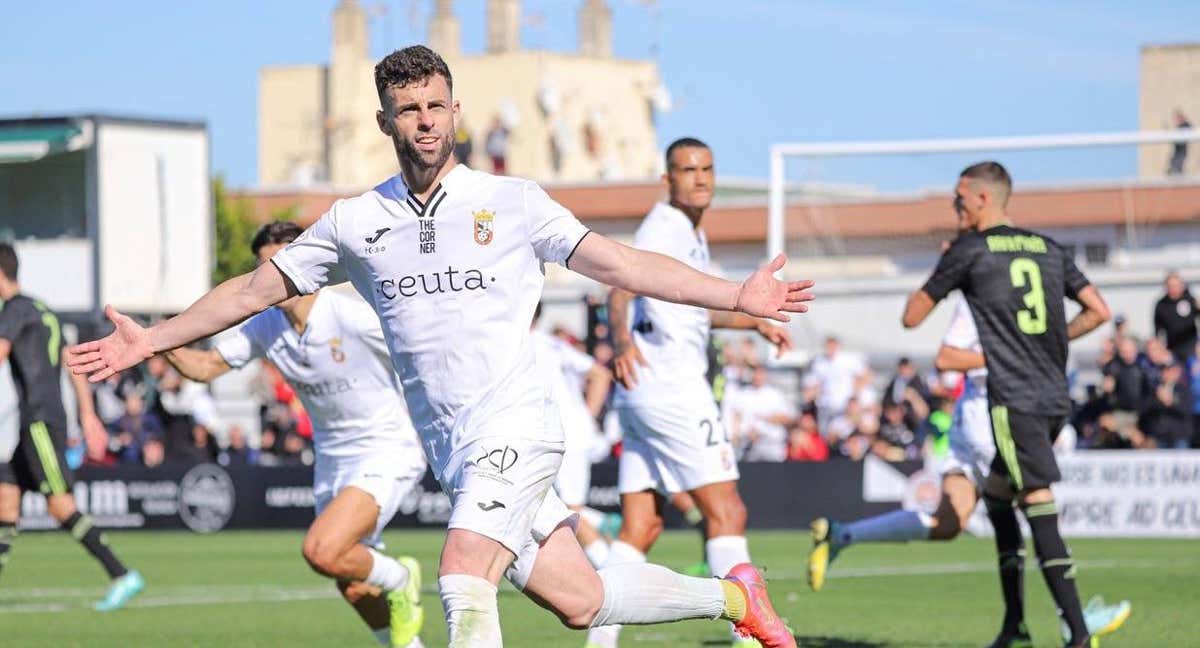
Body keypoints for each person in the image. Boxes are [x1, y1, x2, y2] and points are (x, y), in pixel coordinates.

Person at [67, 46, 814, 648]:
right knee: (582, 600)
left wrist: (736, 296)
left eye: (435, 106)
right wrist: (153, 338)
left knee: (461, 576)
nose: (424, 122)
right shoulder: (355, 221)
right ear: (387, 122)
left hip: (517, 426)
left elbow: (624, 265)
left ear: (456, 111)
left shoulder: (511, 202)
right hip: (452, 448)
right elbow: (251, 292)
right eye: (408, 111)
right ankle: (732, 597)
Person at [870, 161, 1117, 648]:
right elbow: (1099, 311)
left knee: (1036, 502)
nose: (954, 206)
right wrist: (1050, 341)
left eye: (959, 198)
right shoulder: (1048, 247)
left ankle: (1080, 636)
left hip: (1014, 400)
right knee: (1001, 501)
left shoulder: (971, 250)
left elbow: (911, 317)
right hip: (1052, 396)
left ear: (983, 198)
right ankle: (1015, 628)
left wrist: (949, 272)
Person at [161, 221, 427, 648]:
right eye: (263, 270)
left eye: (280, 266)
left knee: (323, 550)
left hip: (387, 449)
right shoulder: (266, 326)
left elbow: (421, 349)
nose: (271, 280)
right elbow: (206, 367)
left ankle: (401, 576)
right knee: (352, 581)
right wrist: (154, 341)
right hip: (331, 460)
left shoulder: (351, 315)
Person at [809, 294, 1130, 640]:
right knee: (1035, 503)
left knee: (949, 522)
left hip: (976, 414)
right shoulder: (981, 287)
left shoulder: (1000, 278)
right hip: (988, 416)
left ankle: (841, 535)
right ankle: (1073, 621)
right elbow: (948, 358)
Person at [593, 137, 797, 648]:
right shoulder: (665, 225)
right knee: (727, 512)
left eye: (707, 168)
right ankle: (747, 637)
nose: (700, 178)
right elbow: (619, 285)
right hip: (672, 390)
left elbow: (692, 308)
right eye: (688, 169)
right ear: (668, 179)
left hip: (644, 395)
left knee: (641, 526)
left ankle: (600, 643)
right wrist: (619, 340)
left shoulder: (685, 231)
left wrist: (753, 322)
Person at [0, 242, 143, 609]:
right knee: (5, 500)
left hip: (39, 422)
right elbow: (71, 360)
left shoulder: (13, 311)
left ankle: (121, 573)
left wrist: (86, 416)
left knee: (60, 505)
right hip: (37, 422)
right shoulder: (41, 309)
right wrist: (88, 415)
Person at [530, 302, 615, 569]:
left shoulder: (528, 345)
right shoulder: (549, 343)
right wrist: (586, 417)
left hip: (565, 434)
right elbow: (599, 374)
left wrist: (585, 418)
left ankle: (612, 568)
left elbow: (601, 374)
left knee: (569, 508)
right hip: (563, 432)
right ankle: (603, 524)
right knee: (546, 503)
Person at [1153, 271, 1198, 364]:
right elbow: (1158, 331)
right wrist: (1161, 350)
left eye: (1176, 285)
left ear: (1182, 285)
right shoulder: (1161, 305)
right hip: (1172, 349)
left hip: (1192, 347)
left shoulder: (1190, 299)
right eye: (1170, 286)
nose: (1173, 288)